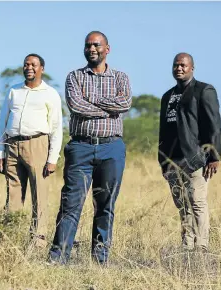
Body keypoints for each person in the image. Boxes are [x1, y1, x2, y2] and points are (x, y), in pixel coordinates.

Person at [48, 31, 132, 265]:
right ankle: (58, 258)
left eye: (96, 45)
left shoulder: (120, 78)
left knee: (105, 205)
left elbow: (125, 103)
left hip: (111, 148)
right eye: (88, 45)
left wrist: (92, 100)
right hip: (81, 147)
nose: (92, 49)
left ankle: (100, 260)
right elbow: (76, 106)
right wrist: (109, 110)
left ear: (107, 48)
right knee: (71, 204)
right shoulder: (74, 77)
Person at [0, 53, 63, 246]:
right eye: (26, 64)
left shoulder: (50, 93)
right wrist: (0, 151)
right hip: (12, 145)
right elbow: (3, 122)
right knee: (13, 192)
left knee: (39, 193)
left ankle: (38, 240)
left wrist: (52, 159)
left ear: (42, 68)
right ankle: (9, 239)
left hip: (37, 144)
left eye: (34, 64)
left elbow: (56, 127)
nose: (29, 67)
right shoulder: (13, 91)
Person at [158, 53, 221, 252]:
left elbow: (214, 125)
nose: (179, 68)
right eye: (176, 65)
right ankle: (187, 245)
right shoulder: (167, 96)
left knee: (197, 202)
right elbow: (163, 128)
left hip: (195, 158)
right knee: (182, 204)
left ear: (192, 68)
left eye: (183, 65)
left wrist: (214, 156)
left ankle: (201, 246)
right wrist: (162, 159)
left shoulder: (203, 90)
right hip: (172, 159)